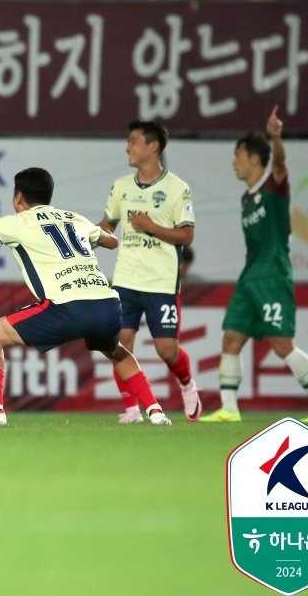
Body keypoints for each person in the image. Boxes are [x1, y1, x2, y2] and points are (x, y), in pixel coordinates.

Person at [0, 167, 172, 428]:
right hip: (108, 305)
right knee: (117, 352)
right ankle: (156, 411)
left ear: (18, 198)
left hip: (67, 307)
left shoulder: (17, 222)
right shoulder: (74, 218)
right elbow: (112, 241)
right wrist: (88, 241)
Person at [200, 107, 308, 423]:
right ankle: (229, 410)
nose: (233, 161)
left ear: (253, 158)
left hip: (274, 275)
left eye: (237, 155)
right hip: (250, 277)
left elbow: (279, 164)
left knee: (281, 344)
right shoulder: (246, 199)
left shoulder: (274, 187)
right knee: (231, 338)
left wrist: (275, 137)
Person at [97, 121, 201, 424]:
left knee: (167, 350)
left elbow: (187, 236)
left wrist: (150, 227)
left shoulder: (177, 189)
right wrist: (85, 235)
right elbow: (108, 226)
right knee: (118, 344)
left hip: (161, 282)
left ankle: (186, 383)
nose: (127, 148)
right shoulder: (121, 187)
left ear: (153, 147)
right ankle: (131, 409)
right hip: (126, 279)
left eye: (133, 142)